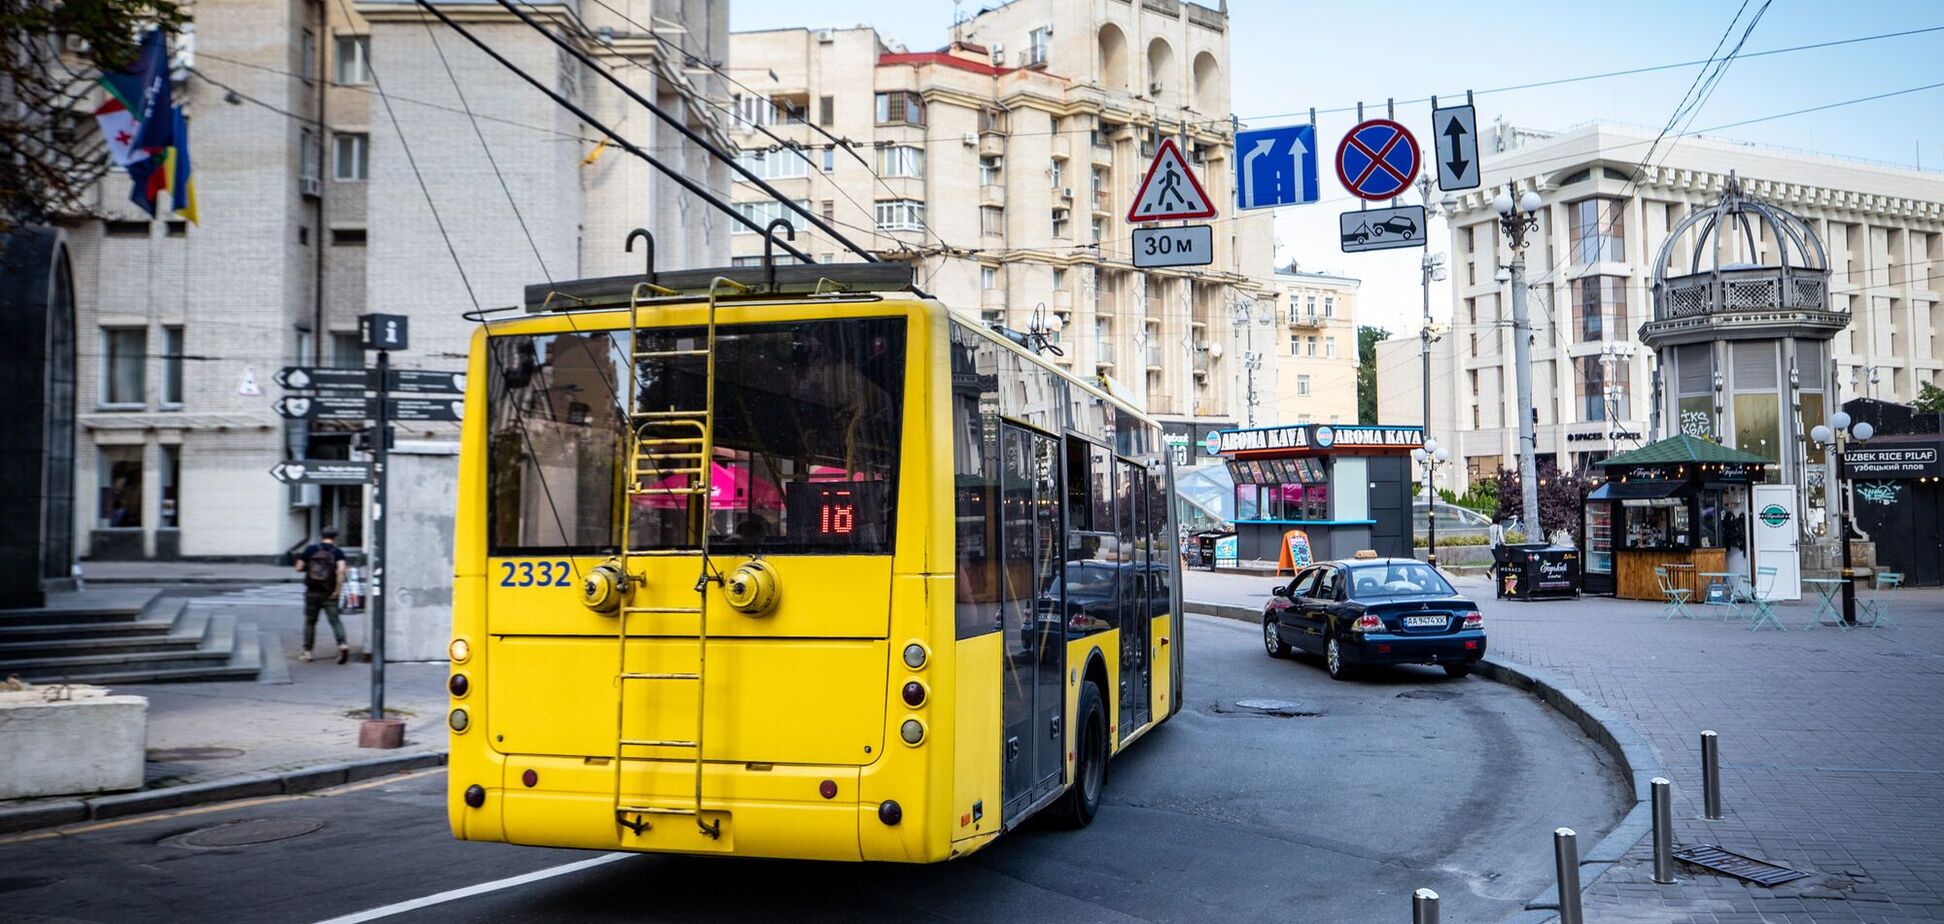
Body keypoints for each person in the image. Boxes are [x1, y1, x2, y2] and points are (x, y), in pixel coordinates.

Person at [294, 527, 350, 664]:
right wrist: (337, 590)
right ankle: (342, 644)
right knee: (335, 620)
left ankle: (308, 652)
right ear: (335, 538)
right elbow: (341, 571)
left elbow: (298, 568)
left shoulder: (310, 549)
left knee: (310, 621)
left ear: (321, 536)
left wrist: (309, 567)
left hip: (312, 591)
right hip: (329, 592)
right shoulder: (338, 552)